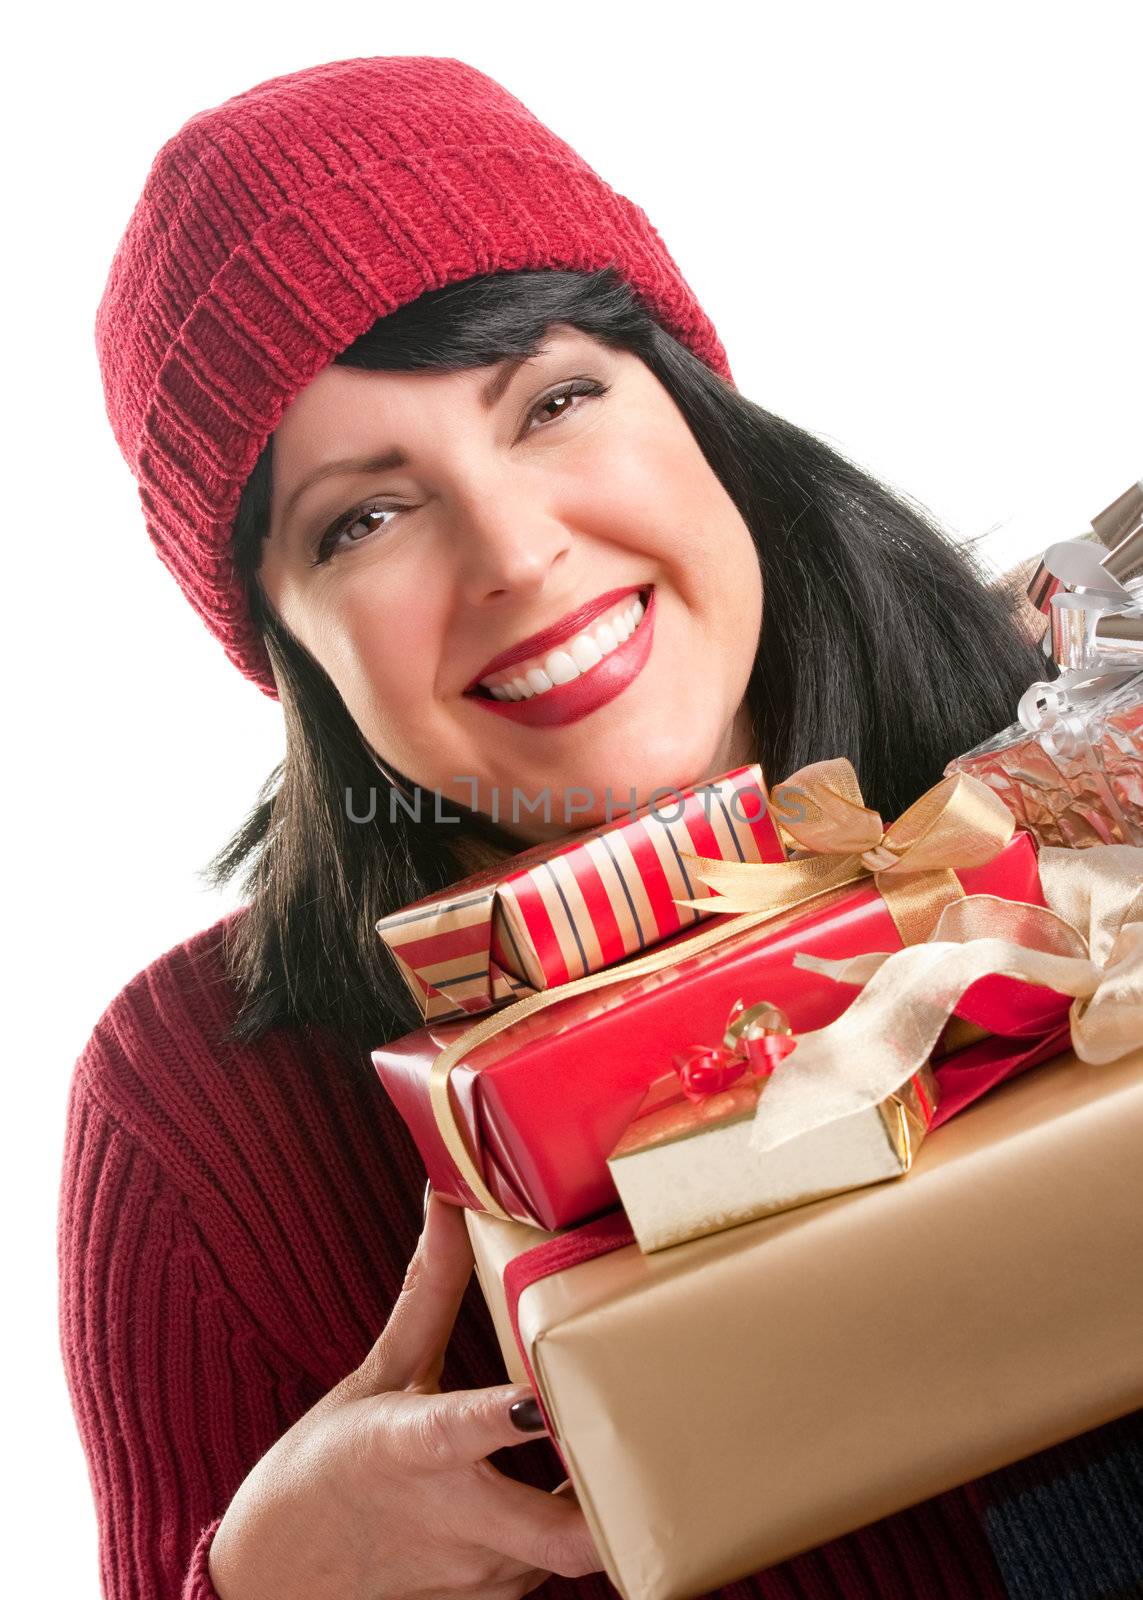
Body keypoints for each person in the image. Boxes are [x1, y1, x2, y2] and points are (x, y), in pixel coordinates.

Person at [59, 54, 1143, 1600]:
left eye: (555, 401)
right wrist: (268, 1577)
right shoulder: (207, 1116)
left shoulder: (1092, 748)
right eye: (363, 517)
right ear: (289, 647)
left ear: (695, 405)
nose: (516, 551)